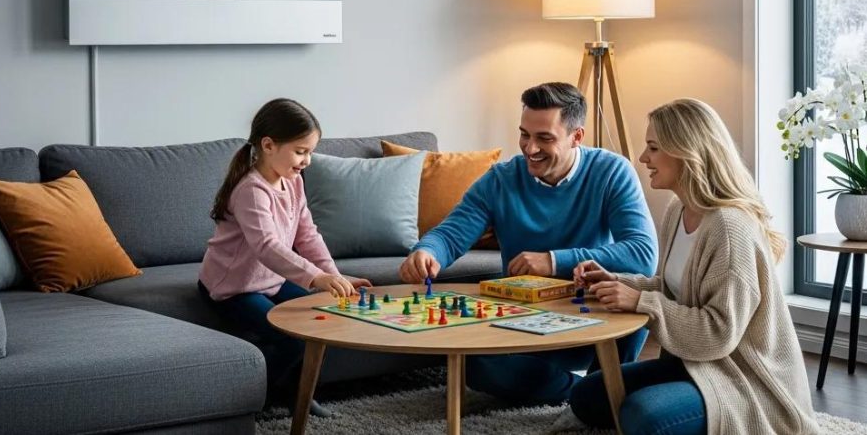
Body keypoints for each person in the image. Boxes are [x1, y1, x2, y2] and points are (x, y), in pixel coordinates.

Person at [569, 98, 818, 435]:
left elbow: (719, 333)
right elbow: (674, 289)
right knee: (588, 395)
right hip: (691, 365)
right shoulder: (678, 210)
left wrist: (641, 302)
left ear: (686, 152)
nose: (643, 158)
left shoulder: (729, 228)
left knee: (644, 417)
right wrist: (617, 282)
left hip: (743, 379)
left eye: (653, 148)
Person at [398, 81, 657, 405]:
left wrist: (553, 260)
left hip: (594, 314)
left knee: (641, 303)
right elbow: (451, 234)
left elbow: (642, 254)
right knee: (475, 365)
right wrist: (426, 251)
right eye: (524, 134)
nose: (530, 148)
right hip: (526, 318)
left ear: (577, 136)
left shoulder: (612, 170)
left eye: (544, 138)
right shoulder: (500, 179)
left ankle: (589, 389)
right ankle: (591, 393)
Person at [198, 98, 371, 417]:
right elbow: (267, 246)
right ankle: (254, 399)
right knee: (293, 339)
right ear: (268, 145)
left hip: (273, 281)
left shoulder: (293, 182)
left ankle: (298, 395)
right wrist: (316, 278)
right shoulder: (251, 189)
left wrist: (334, 276)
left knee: (319, 324)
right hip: (234, 288)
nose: (307, 160)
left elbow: (307, 234)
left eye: (310, 152)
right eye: (301, 151)